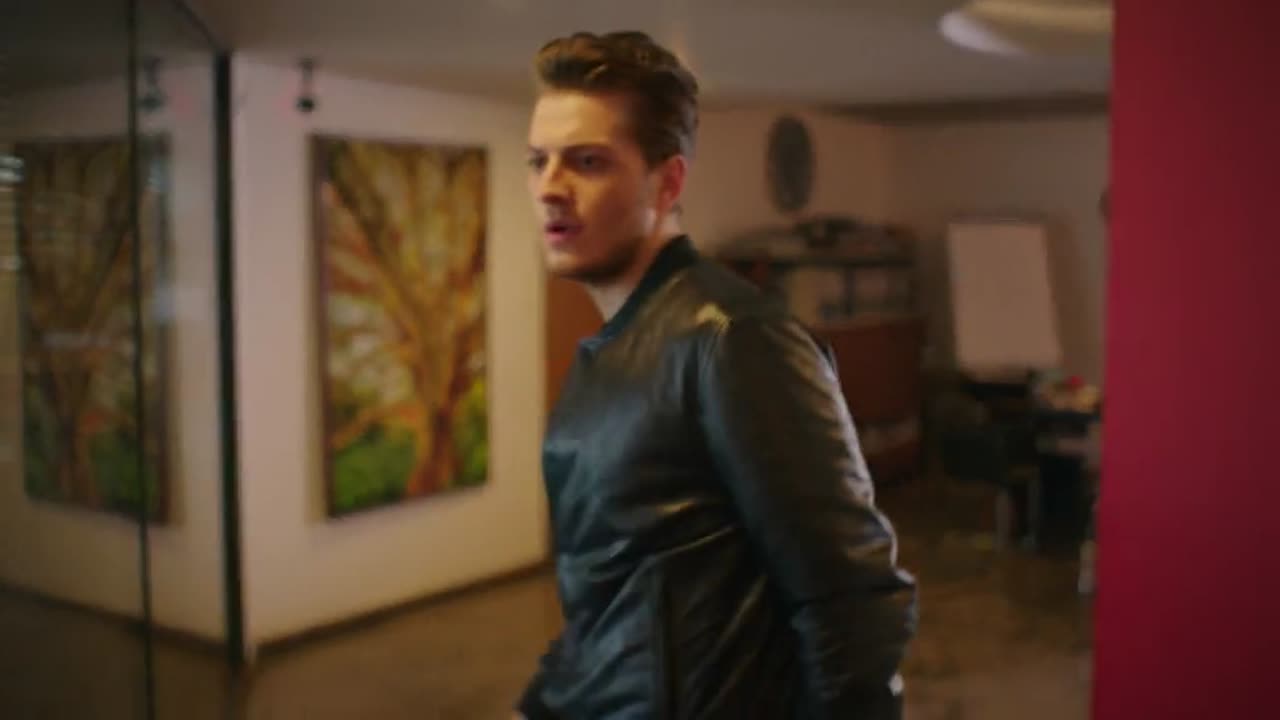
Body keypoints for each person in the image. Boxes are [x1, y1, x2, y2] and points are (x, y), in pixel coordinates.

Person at [516, 30, 918, 720]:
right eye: (538, 161)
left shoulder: (734, 339)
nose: (550, 188)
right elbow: (605, 597)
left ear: (667, 181)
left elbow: (851, 595)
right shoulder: (605, 355)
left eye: (587, 161)